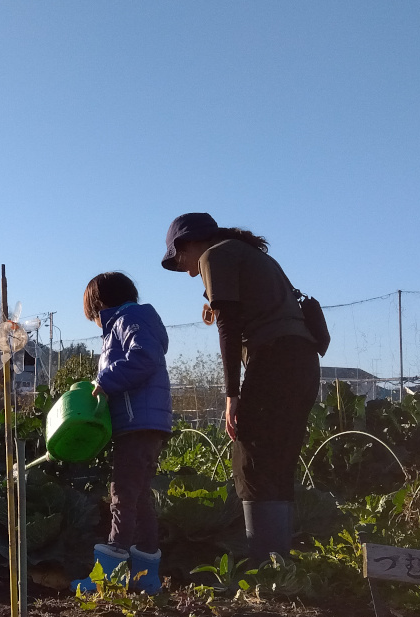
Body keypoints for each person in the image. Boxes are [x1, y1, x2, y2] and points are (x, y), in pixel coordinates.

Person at [161, 213, 320, 559]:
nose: (187, 270)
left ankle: (263, 563)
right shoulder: (248, 254)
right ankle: (279, 562)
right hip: (304, 362)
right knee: (278, 461)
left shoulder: (213, 255)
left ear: (188, 244)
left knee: (250, 459)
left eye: (181, 258)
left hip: (275, 362)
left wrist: (231, 394)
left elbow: (229, 329)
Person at [73, 271, 172, 596]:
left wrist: (104, 382)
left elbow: (143, 358)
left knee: (122, 495)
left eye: (93, 316)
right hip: (145, 424)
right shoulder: (135, 318)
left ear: (99, 305)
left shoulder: (128, 318)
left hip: (138, 424)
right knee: (140, 497)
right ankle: (146, 577)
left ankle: (108, 579)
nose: (96, 323)